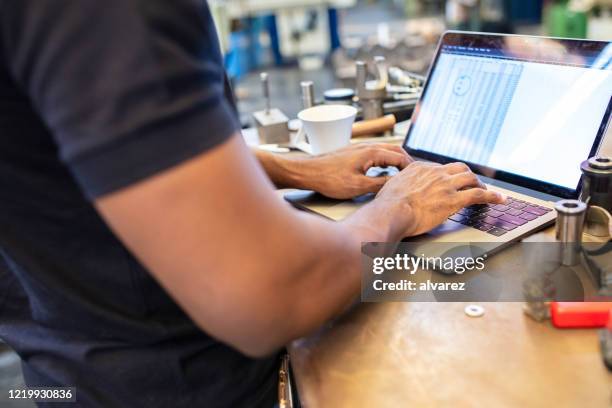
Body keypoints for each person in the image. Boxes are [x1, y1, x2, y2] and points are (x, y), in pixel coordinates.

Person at [0, 1, 504, 407]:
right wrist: (399, 208)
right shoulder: (114, 14)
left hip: (59, 370)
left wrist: (294, 169)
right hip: (170, 384)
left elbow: (77, 151)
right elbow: (270, 293)